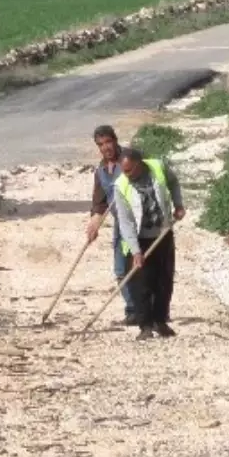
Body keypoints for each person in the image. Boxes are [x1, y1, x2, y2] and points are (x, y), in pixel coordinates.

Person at [111, 146, 186, 340]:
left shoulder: (158, 168)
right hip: (139, 238)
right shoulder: (121, 186)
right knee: (141, 283)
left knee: (164, 280)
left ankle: (160, 321)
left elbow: (174, 182)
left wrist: (178, 205)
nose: (125, 174)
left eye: (129, 170)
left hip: (163, 233)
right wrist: (136, 251)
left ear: (139, 164)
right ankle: (145, 326)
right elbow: (125, 222)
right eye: (123, 170)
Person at [85, 125, 137, 325]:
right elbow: (99, 203)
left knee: (139, 267)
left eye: (108, 142)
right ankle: (132, 312)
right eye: (101, 144)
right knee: (121, 270)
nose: (106, 147)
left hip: (140, 222)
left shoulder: (131, 160)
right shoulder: (101, 170)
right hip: (120, 225)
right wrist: (94, 224)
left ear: (115, 140)